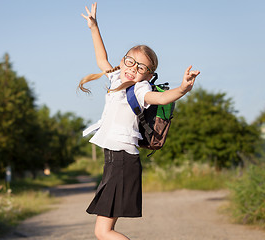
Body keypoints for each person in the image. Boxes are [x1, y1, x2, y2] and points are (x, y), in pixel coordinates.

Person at [80, 3, 200, 240]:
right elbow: (102, 59)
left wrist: (183, 88)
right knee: (103, 231)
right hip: (115, 161)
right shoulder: (117, 78)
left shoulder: (140, 89)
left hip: (122, 162)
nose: (133, 69)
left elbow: (163, 97)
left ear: (148, 74)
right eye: (130, 62)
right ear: (123, 62)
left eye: (141, 67)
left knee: (103, 231)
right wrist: (94, 27)